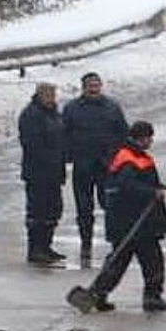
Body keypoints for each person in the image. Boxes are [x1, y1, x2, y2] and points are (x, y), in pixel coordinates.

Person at [66, 120, 166, 313]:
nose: (151, 141)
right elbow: (126, 186)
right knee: (150, 260)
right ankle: (151, 297)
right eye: (149, 137)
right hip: (133, 222)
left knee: (120, 260)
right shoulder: (127, 158)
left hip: (136, 221)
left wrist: (155, 187)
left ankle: (100, 294)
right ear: (140, 138)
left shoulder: (135, 155)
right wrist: (151, 192)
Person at [62, 72, 127, 264]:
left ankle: (115, 243)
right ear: (83, 88)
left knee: (110, 206)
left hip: (107, 165)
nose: (94, 89)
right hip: (83, 165)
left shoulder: (112, 107)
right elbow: (63, 134)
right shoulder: (72, 108)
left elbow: (123, 133)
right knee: (84, 208)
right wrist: (68, 156)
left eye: (97, 85)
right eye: (90, 86)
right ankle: (86, 243)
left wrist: (119, 158)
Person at [18, 82, 67, 264]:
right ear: (39, 95)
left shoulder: (55, 114)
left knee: (53, 210)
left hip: (54, 171)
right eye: (47, 95)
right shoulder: (31, 115)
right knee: (38, 211)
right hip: (37, 172)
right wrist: (49, 159)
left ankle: (46, 246)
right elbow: (31, 144)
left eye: (53, 95)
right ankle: (35, 248)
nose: (51, 98)